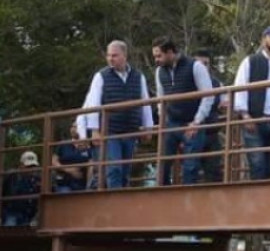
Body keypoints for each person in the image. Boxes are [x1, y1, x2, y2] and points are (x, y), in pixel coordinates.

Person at [77, 40, 155, 188]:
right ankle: (114, 201)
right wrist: (94, 130)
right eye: (108, 55)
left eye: (114, 55)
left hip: (130, 130)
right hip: (110, 130)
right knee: (114, 169)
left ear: (124, 55)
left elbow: (145, 102)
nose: (110, 59)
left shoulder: (138, 76)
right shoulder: (101, 76)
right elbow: (93, 103)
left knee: (125, 170)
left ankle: (122, 201)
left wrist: (148, 126)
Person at [152, 36, 215, 186]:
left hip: (192, 123)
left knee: (191, 167)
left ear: (170, 52)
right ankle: (162, 197)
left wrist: (197, 121)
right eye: (155, 56)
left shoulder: (195, 66)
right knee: (163, 165)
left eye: (159, 55)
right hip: (171, 122)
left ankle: (188, 200)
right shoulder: (159, 72)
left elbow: (208, 94)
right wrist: (163, 119)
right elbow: (161, 99)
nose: (156, 59)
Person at [233, 26, 270, 180]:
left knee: (269, 167)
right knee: (257, 166)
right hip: (254, 121)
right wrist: (245, 115)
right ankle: (257, 201)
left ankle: (266, 202)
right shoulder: (250, 61)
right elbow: (240, 87)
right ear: (264, 40)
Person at [193, 49, 227, 183]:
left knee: (214, 172)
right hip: (193, 133)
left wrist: (225, 106)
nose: (203, 68)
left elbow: (225, 103)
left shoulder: (217, 84)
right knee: (192, 170)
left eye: (205, 64)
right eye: (199, 64)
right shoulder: (188, 83)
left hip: (212, 133)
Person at [2, 151, 41, 226]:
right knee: (9, 228)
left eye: (33, 166)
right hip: (12, 213)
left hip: (28, 215)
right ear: (21, 165)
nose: (31, 169)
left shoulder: (36, 179)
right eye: (28, 166)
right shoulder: (11, 176)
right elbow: (1, 193)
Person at [52, 121, 92, 192]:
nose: (73, 129)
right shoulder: (63, 144)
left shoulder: (89, 147)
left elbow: (91, 165)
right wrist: (68, 170)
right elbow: (54, 161)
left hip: (82, 184)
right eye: (72, 127)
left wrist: (88, 186)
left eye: (76, 127)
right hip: (64, 183)